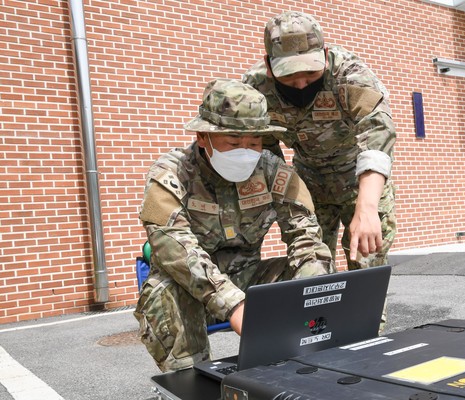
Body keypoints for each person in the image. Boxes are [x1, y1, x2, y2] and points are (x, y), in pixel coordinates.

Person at [134, 79, 334, 372]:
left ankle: (303, 366)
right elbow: (174, 249)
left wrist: (317, 291)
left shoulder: (271, 170)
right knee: (166, 292)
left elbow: (305, 234)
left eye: (253, 142)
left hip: (249, 278)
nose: (245, 151)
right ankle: (190, 381)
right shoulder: (171, 173)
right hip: (192, 290)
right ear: (204, 137)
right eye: (233, 142)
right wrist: (234, 304)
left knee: (310, 276)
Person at [242, 11, 397, 271]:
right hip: (307, 183)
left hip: (359, 180)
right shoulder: (255, 90)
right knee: (312, 267)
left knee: (367, 265)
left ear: (325, 56)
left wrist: (368, 206)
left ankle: (364, 312)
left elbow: (378, 131)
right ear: (269, 66)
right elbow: (264, 153)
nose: (301, 84)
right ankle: (322, 313)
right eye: (289, 76)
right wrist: (286, 203)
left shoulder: (349, 73)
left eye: (310, 73)